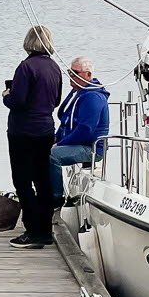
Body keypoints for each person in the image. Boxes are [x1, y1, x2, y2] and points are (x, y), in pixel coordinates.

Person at [2, 23, 61, 248]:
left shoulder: (26, 67)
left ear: (28, 43)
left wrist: (7, 95)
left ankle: (32, 230)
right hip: (46, 128)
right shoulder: (54, 67)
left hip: (23, 131)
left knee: (23, 181)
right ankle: (45, 229)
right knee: (43, 181)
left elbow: (18, 101)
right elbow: (56, 100)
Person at [51, 57, 110, 203]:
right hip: (77, 142)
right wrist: (54, 139)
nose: (71, 76)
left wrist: (59, 145)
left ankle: (55, 198)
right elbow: (66, 122)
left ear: (88, 75)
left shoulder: (92, 97)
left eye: (75, 73)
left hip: (91, 147)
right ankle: (44, 190)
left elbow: (85, 130)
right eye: (70, 72)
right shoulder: (78, 92)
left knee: (52, 156)